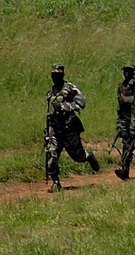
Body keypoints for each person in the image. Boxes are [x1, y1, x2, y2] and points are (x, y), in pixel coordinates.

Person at [44, 63, 99, 193]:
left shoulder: (70, 88)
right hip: (55, 129)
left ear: (62, 75)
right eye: (53, 75)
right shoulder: (50, 91)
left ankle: (88, 156)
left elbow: (81, 103)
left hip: (69, 129)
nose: (55, 77)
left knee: (77, 156)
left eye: (57, 75)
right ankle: (56, 182)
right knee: (52, 153)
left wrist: (64, 106)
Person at [114, 62, 135, 177]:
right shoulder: (121, 85)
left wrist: (126, 99)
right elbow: (120, 103)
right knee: (126, 143)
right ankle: (125, 169)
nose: (126, 73)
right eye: (125, 71)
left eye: (129, 71)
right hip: (124, 118)